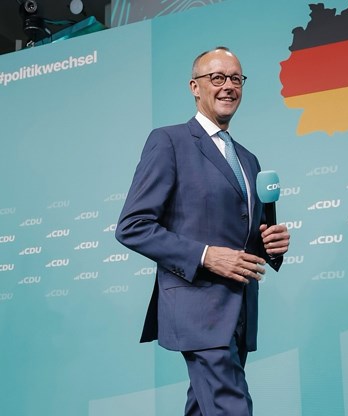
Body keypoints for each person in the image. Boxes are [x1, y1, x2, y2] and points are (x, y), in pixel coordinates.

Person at [115, 46, 290, 416]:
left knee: (205, 407)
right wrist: (206, 256)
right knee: (230, 407)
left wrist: (270, 245)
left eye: (236, 79)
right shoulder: (169, 141)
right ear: (195, 87)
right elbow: (132, 226)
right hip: (198, 308)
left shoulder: (248, 159)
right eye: (217, 77)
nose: (229, 86)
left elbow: (246, 237)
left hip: (240, 308)